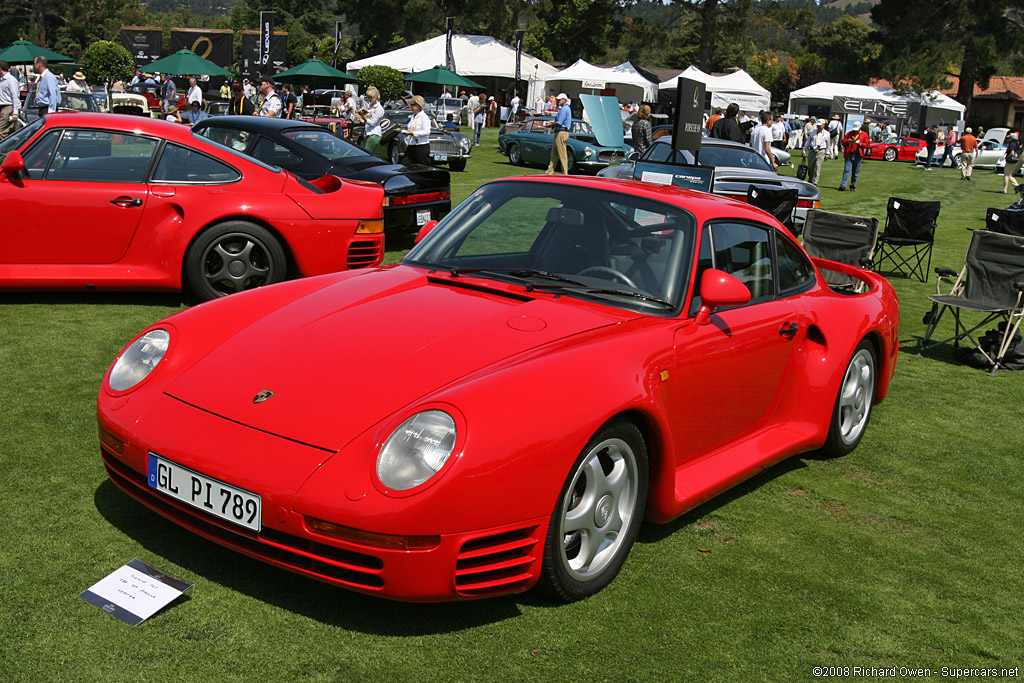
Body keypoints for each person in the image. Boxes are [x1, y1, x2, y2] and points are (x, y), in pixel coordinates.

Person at [545, 93, 572, 175]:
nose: (558, 101)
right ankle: (549, 172)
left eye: (560, 99)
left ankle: (565, 173)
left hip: (561, 132)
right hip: (559, 132)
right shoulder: (564, 108)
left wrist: (551, 124)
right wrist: (553, 123)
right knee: (554, 154)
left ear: (564, 100)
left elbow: (559, 123)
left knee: (562, 154)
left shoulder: (564, 109)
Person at [838, 120, 869, 192]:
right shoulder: (849, 133)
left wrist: (860, 144)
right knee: (846, 170)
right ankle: (843, 185)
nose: (855, 131)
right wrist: (847, 141)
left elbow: (867, 144)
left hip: (858, 155)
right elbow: (843, 142)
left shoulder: (864, 135)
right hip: (849, 154)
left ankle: (853, 185)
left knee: (855, 172)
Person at [402, 95, 431, 166]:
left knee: (423, 167)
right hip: (412, 144)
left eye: (412, 104)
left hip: (421, 145)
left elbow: (426, 131)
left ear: (418, 105)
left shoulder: (424, 117)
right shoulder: (413, 117)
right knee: (405, 164)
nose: (411, 106)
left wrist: (413, 133)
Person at [803, 118, 830, 186]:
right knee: (810, 166)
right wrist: (804, 150)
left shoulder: (827, 134)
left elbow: (828, 144)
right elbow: (808, 141)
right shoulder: (813, 132)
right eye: (818, 125)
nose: (818, 127)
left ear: (823, 125)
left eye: (820, 126)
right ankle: (810, 179)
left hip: (821, 151)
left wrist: (827, 154)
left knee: (818, 167)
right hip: (812, 150)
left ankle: (815, 182)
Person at [360, 86, 385, 157]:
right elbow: (367, 122)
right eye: (368, 97)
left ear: (376, 97)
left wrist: (363, 116)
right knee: (365, 154)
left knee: (365, 156)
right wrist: (360, 118)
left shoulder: (379, 108)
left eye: (370, 97)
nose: (369, 99)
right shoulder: (371, 106)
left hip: (374, 134)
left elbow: (372, 123)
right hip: (368, 133)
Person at [0, 61, 22, 140]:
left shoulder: (11, 80)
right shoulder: (2, 80)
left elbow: (15, 96)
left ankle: (4, 150)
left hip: (8, 107)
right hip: (3, 107)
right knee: (7, 131)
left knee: (1, 132)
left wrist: (15, 112)